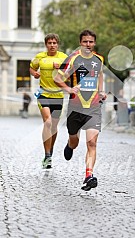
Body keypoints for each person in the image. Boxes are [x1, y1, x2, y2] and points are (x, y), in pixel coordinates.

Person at [54, 29, 107, 191]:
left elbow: (99, 75)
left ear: (94, 43)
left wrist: (101, 91)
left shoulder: (99, 59)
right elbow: (58, 78)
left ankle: (89, 175)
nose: (88, 44)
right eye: (85, 41)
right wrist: (69, 90)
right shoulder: (74, 59)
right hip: (75, 108)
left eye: (91, 42)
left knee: (91, 143)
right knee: (75, 141)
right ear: (80, 43)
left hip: (93, 108)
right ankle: (69, 145)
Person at [29, 33, 68, 168]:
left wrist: (62, 68)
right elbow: (32, 68)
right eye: (49, 43)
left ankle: (50, 150)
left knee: (54, 127)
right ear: (46, 45)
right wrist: (35, 74)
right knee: (48, 122)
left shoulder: (64, 58)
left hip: (58, 96)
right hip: (43, 94)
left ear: (58, 44)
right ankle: (47, 155)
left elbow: (70, 74)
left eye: (54, 43)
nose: (52, 45)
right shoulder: (40, 57)